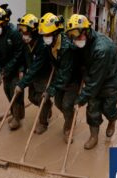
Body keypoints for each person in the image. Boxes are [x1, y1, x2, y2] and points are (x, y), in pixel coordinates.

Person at [66, 14, 117, 150]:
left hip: (112, 78)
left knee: (108, 108)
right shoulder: (80, 41)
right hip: (94, 75)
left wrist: (80, 99)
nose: (75, 39)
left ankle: (112, 119)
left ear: (86, 31)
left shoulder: (102, 48)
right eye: (72, 36)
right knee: (92, 107)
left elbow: (94, 83)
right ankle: (94, 137)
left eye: (77, 35)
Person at [39, 13, 82, 142]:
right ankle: (70, 117)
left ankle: (68, 128)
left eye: (48, 35)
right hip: (60, 78)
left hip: (72, 79)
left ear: (56, 33)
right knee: (58, 103)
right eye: (44, 35)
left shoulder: (66, 47)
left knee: (67, 104)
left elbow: (65, 74)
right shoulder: (49, 44)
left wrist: (50, 91)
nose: (45, 38)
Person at [0, 4, 25, 130]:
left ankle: (17, 119)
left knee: (16, 92)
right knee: (8, 91)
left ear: (4, 23)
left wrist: (10, 69)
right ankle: (16, 114)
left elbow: (19, 53)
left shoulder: (13, 33)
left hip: (17, 67)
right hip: (4, 69)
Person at [14, 14, 53, 134]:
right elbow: (23, 59)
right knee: (31, 97)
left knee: (42, 98)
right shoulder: (26, 43)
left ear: (34, 31)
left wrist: (21, 84)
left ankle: (43, 123)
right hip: (32, 74)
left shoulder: (42, 45)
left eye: (25, 32)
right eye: (22, 31)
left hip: (43, 74)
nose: (23, 35)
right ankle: (47, 106)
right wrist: (21, 70)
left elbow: (36, 67)